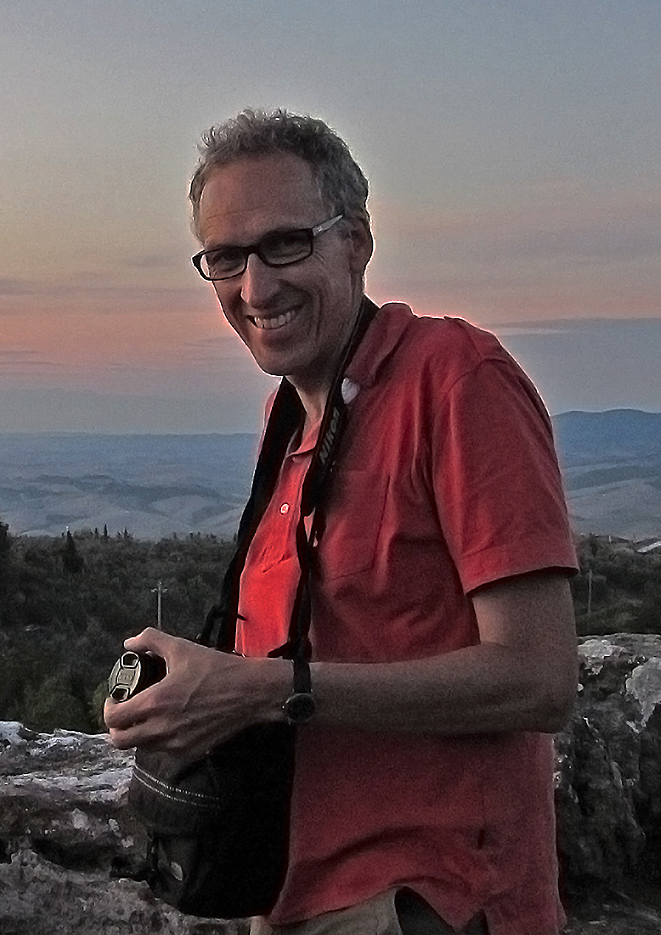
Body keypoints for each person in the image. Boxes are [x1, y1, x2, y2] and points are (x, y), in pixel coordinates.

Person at [102, 109, 579, 935]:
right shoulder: (285, 418)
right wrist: (198, 691)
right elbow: (316, 654)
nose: (255, 288)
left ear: (354, 241)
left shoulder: (457, 380)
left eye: (285, 244)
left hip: (425, 898)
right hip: (288, 890)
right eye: (225, 259)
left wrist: (264, 691)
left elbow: (539, 678)